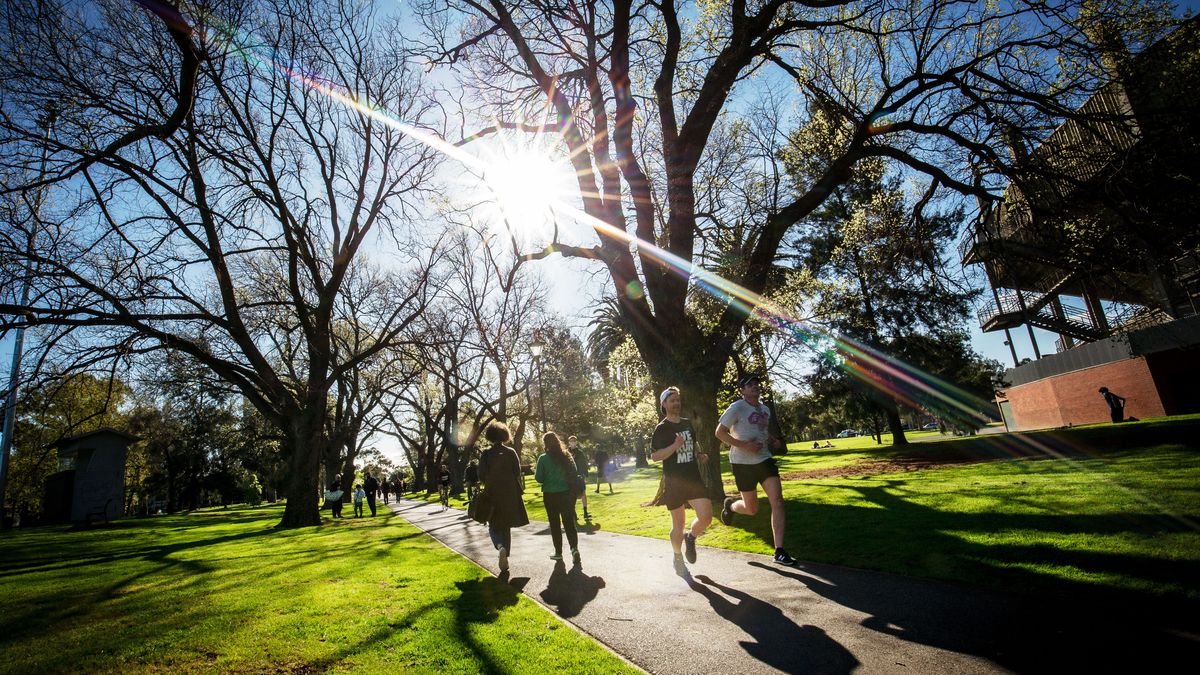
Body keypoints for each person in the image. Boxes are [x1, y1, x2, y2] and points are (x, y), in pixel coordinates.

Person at [716, 373, 796, 566]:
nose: (755, 387)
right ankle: (731, 506)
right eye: (749, 385)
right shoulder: (736, 407)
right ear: (742, 390)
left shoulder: (765, 410)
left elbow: (761, 430)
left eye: (756, 384)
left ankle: (779, 551)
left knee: (777, 500)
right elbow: (719, 432)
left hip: (764, 460)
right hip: (742, 463)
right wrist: (744, 445)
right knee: (751, 509)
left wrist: (772, 440)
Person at [650, 386, 712, 569]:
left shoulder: (686, 423)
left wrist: (700, 454)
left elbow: (694, 443)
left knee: (706, 517)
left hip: (693, 478)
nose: (676, 403)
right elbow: (654, 457)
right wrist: (674, 446)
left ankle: (690, 537)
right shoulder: (662, 429)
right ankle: (677, 556)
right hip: (674, 481)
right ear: (664, 404)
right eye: (672, 400)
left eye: (678, 400)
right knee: (679, 523)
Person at [479, 421, 529, 572]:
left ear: (490, 436)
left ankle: (500, 546)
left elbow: (481, 475)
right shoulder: (511, 452)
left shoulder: (486, 454)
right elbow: (517, 471)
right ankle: (505, 557)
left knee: (493, 523)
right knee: (506, 525)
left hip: (492, 493)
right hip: (510, 493)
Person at [535, 432, 582, 563]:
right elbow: (575, 471)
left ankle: (558, 552)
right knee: (569, 523)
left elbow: (539, 478)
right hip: (566, 493)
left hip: (550, 495)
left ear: (545, 444)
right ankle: (574, 549)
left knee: (554, 524)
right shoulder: (567, 455)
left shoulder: (543, 458)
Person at [568, 435, 591, 520]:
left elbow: (584, 464)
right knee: (571, 496)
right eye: (571, 441)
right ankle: (574, 515)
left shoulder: (580, 452)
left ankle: (585, 512)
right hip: (570, 477)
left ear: (576, 442)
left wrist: (585, 475)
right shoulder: (566, 452)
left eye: (574, 441)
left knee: (583, 494)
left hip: (580, 477)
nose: (572, 442)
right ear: (569, 442)